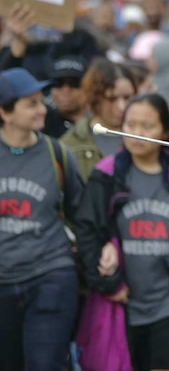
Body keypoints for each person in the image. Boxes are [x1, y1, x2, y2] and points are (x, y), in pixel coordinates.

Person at [75, 93, 169, 371]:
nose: (137, 134)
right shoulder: (106, 175)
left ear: (164, 130)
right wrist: (109, 283)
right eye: (131, 125)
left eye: (147, 126)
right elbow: (88, 230)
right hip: (124, 300)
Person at [0, 68, 84, 371]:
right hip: (3, 282)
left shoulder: (57, 153)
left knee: (44, 364)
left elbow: (81, 212)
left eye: (40, 101)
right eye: (31, 104)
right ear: (5, 113)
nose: (41, 109)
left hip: (50, 276)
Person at [61, 58, 139, 183]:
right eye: (112, 99)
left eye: (127, 98)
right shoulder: (70, 144)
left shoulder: (145, 137)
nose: (122, 107)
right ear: (95, 99)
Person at [43, 55, 89, 138]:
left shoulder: (99, 124)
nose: (65, 91)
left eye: (74, 84)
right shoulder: (43, 122)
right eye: (58, 84)